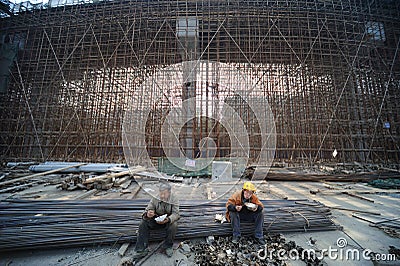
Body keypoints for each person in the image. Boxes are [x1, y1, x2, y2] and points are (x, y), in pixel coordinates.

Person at [133, 182, 180, 259]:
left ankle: (167, 246)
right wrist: (148, 214)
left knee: (174, 225)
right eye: (161, 193)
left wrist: (168, 219)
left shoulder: (174, 198)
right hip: (156, 221)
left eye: (164, 194)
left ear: (169, 192)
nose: (162, 196)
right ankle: (141, 249)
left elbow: (176, 214)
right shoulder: (155, 198)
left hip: (167, 221)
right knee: (143, 223)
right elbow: (147, 210)